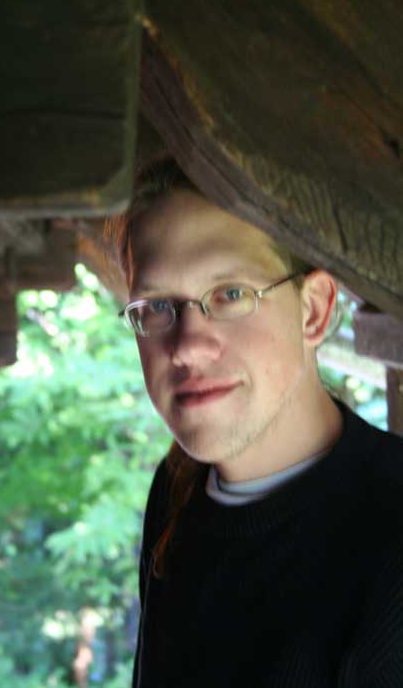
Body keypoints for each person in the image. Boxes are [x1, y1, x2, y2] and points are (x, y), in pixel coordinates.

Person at [108, 157, 403, 687]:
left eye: (230, 294)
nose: (187, 346)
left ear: (313, 311)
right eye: (157, 306)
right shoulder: (177, 487)